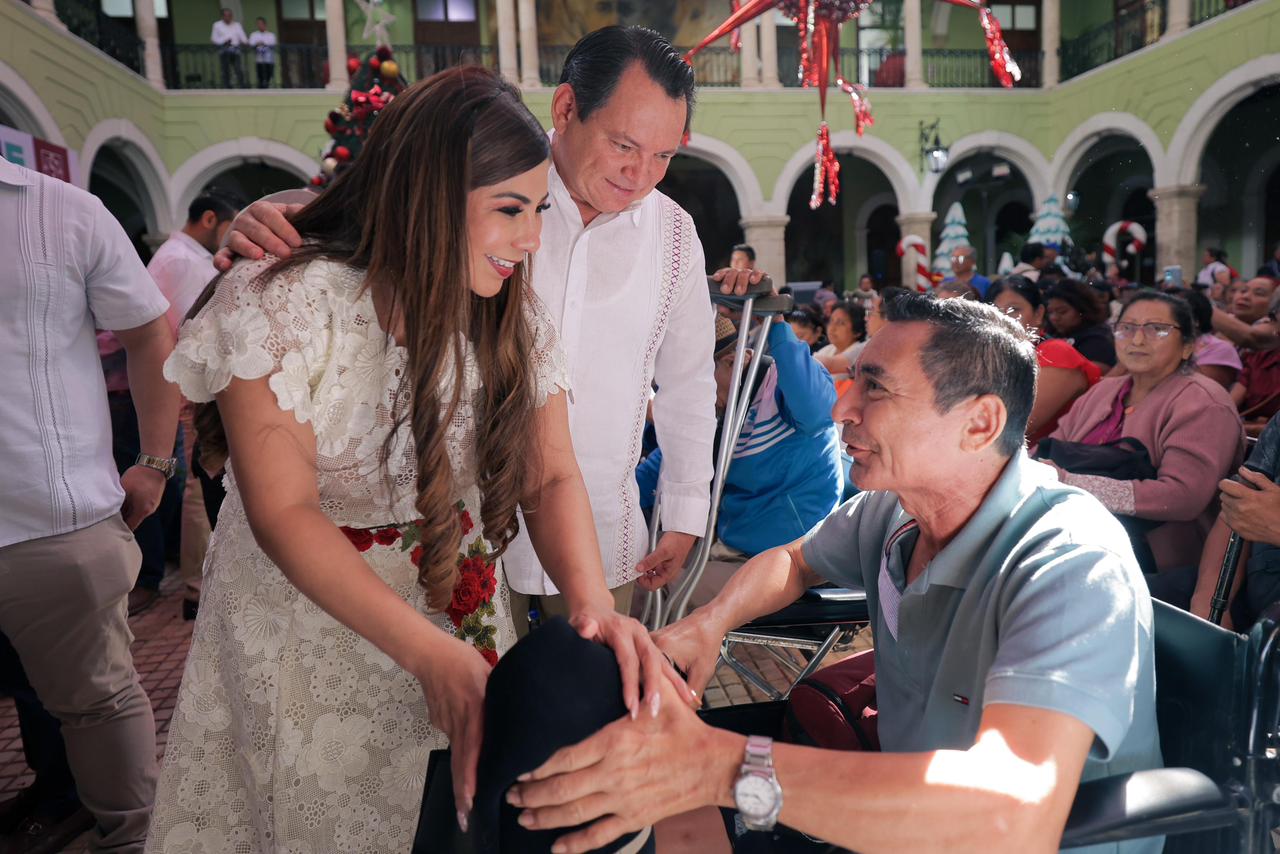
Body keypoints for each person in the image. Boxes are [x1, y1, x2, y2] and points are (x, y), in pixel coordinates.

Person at [145, 68, 680, 854]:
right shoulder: (283, 302)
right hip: (305, 626)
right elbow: (283, 509)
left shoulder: (505, 313)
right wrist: (430, 655)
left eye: (538, 211)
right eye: (510, 209)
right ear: (427, 196)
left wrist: (594, 606)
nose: (532, 239)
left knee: (447, 817)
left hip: (450, 607)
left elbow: (550, 473)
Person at [505, 295, 1162, 854]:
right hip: (903, 815)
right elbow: (795, 561)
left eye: (875, 387)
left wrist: (717, 768)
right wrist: (710, 624)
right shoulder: (893, 513)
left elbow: (1010, 812)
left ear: (980, 422)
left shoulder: (1070, 562)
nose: (841, 407)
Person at [214, 27, 735, 635]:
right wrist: (268, 221)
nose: (640, 173)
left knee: (583, 679)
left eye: (664, 156)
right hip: (457, 533)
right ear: (567, 108)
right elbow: (375, 224)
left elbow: (688, 380)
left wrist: (685, 507)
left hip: (594, 528)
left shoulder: (673, 237)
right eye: (624, 144)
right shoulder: (477, 172)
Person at [1, 155, 181, 853]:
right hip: (57, 518)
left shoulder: (63, 211)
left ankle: (134, 840)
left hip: (53, 520)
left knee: (98, 702)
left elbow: (149, 331)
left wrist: (155, 464)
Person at [1046, 290, 1244, 573]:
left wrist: (1070, 483)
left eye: (1157, 329)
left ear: (1187, 346)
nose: (1137, 340)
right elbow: (1050, 449)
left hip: (1156, 560)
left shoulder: (1204, 403)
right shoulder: (1104, 391)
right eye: (1126, 328)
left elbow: (1183, 497)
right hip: (1079, 535)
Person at [637, 313, 841, 571]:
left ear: (732, 362)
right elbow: (664, 467)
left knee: (654, 588)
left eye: (692, 382)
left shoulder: (781, 385)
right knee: (637, 568)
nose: (686, 395)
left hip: (788, 557)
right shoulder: (714, 411)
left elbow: (820, 413)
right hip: (730, 547)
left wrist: (776, 325)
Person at [138, 193, 241, 620]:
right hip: (194, 390)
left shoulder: (181, 256)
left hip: (192, 388)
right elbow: (193, 331)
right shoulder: (182, 260)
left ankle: (200, 585)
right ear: (210, 218)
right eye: (230, 227)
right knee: (203, 483)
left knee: (202, 483)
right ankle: (199, 587)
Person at [989, 276, 1100, 444]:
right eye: (996, 311)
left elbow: (1009, 430)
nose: (1003, 319)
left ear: (1038, 314)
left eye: (1014, 310)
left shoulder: (1056, 354)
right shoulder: (997, 357)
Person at [1226, 277, 1280, 432]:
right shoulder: (1258, 358)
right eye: (1243, 290)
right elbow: (1227, 407)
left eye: (1259, 293)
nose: (1245, 296)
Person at [1045, 278, 1116, 371]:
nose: (1054, 318)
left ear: (1081, 309)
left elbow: (1095, 373)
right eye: (1050, 312)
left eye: (1062, 311)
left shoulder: (1098, 340)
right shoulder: (1052, 334)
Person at [813, 300, 866, 379]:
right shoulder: (828, 349)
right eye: (831, 321)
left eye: (841, 323)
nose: (832, 328)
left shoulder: (860, 354)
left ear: (857, 331)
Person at [211, 8, 248, 88]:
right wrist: (224, 41)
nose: (228, 17)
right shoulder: (217, 25)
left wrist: (245, 42)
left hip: (235, 49)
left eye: (230, 15)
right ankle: (227, 86)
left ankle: (242, 86)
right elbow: (214, 39)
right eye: (226, 15)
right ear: (222, 16)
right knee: (225, 70)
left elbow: (243, 38)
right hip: (224, 49)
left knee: (238, 69)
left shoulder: (237, 25)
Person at [248, 17, 276, 89]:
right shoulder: (254, 34)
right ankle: (261, 89)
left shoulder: (271, 35)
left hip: (269, 60)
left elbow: (272, 44)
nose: (260, 25)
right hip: (259, 60)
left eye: (261, 24)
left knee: (268, 76)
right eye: (258, 24)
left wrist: (263, 43)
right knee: (260, 76)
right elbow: (251, 44)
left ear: (265, 24)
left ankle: (267, 87)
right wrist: (257, 44)